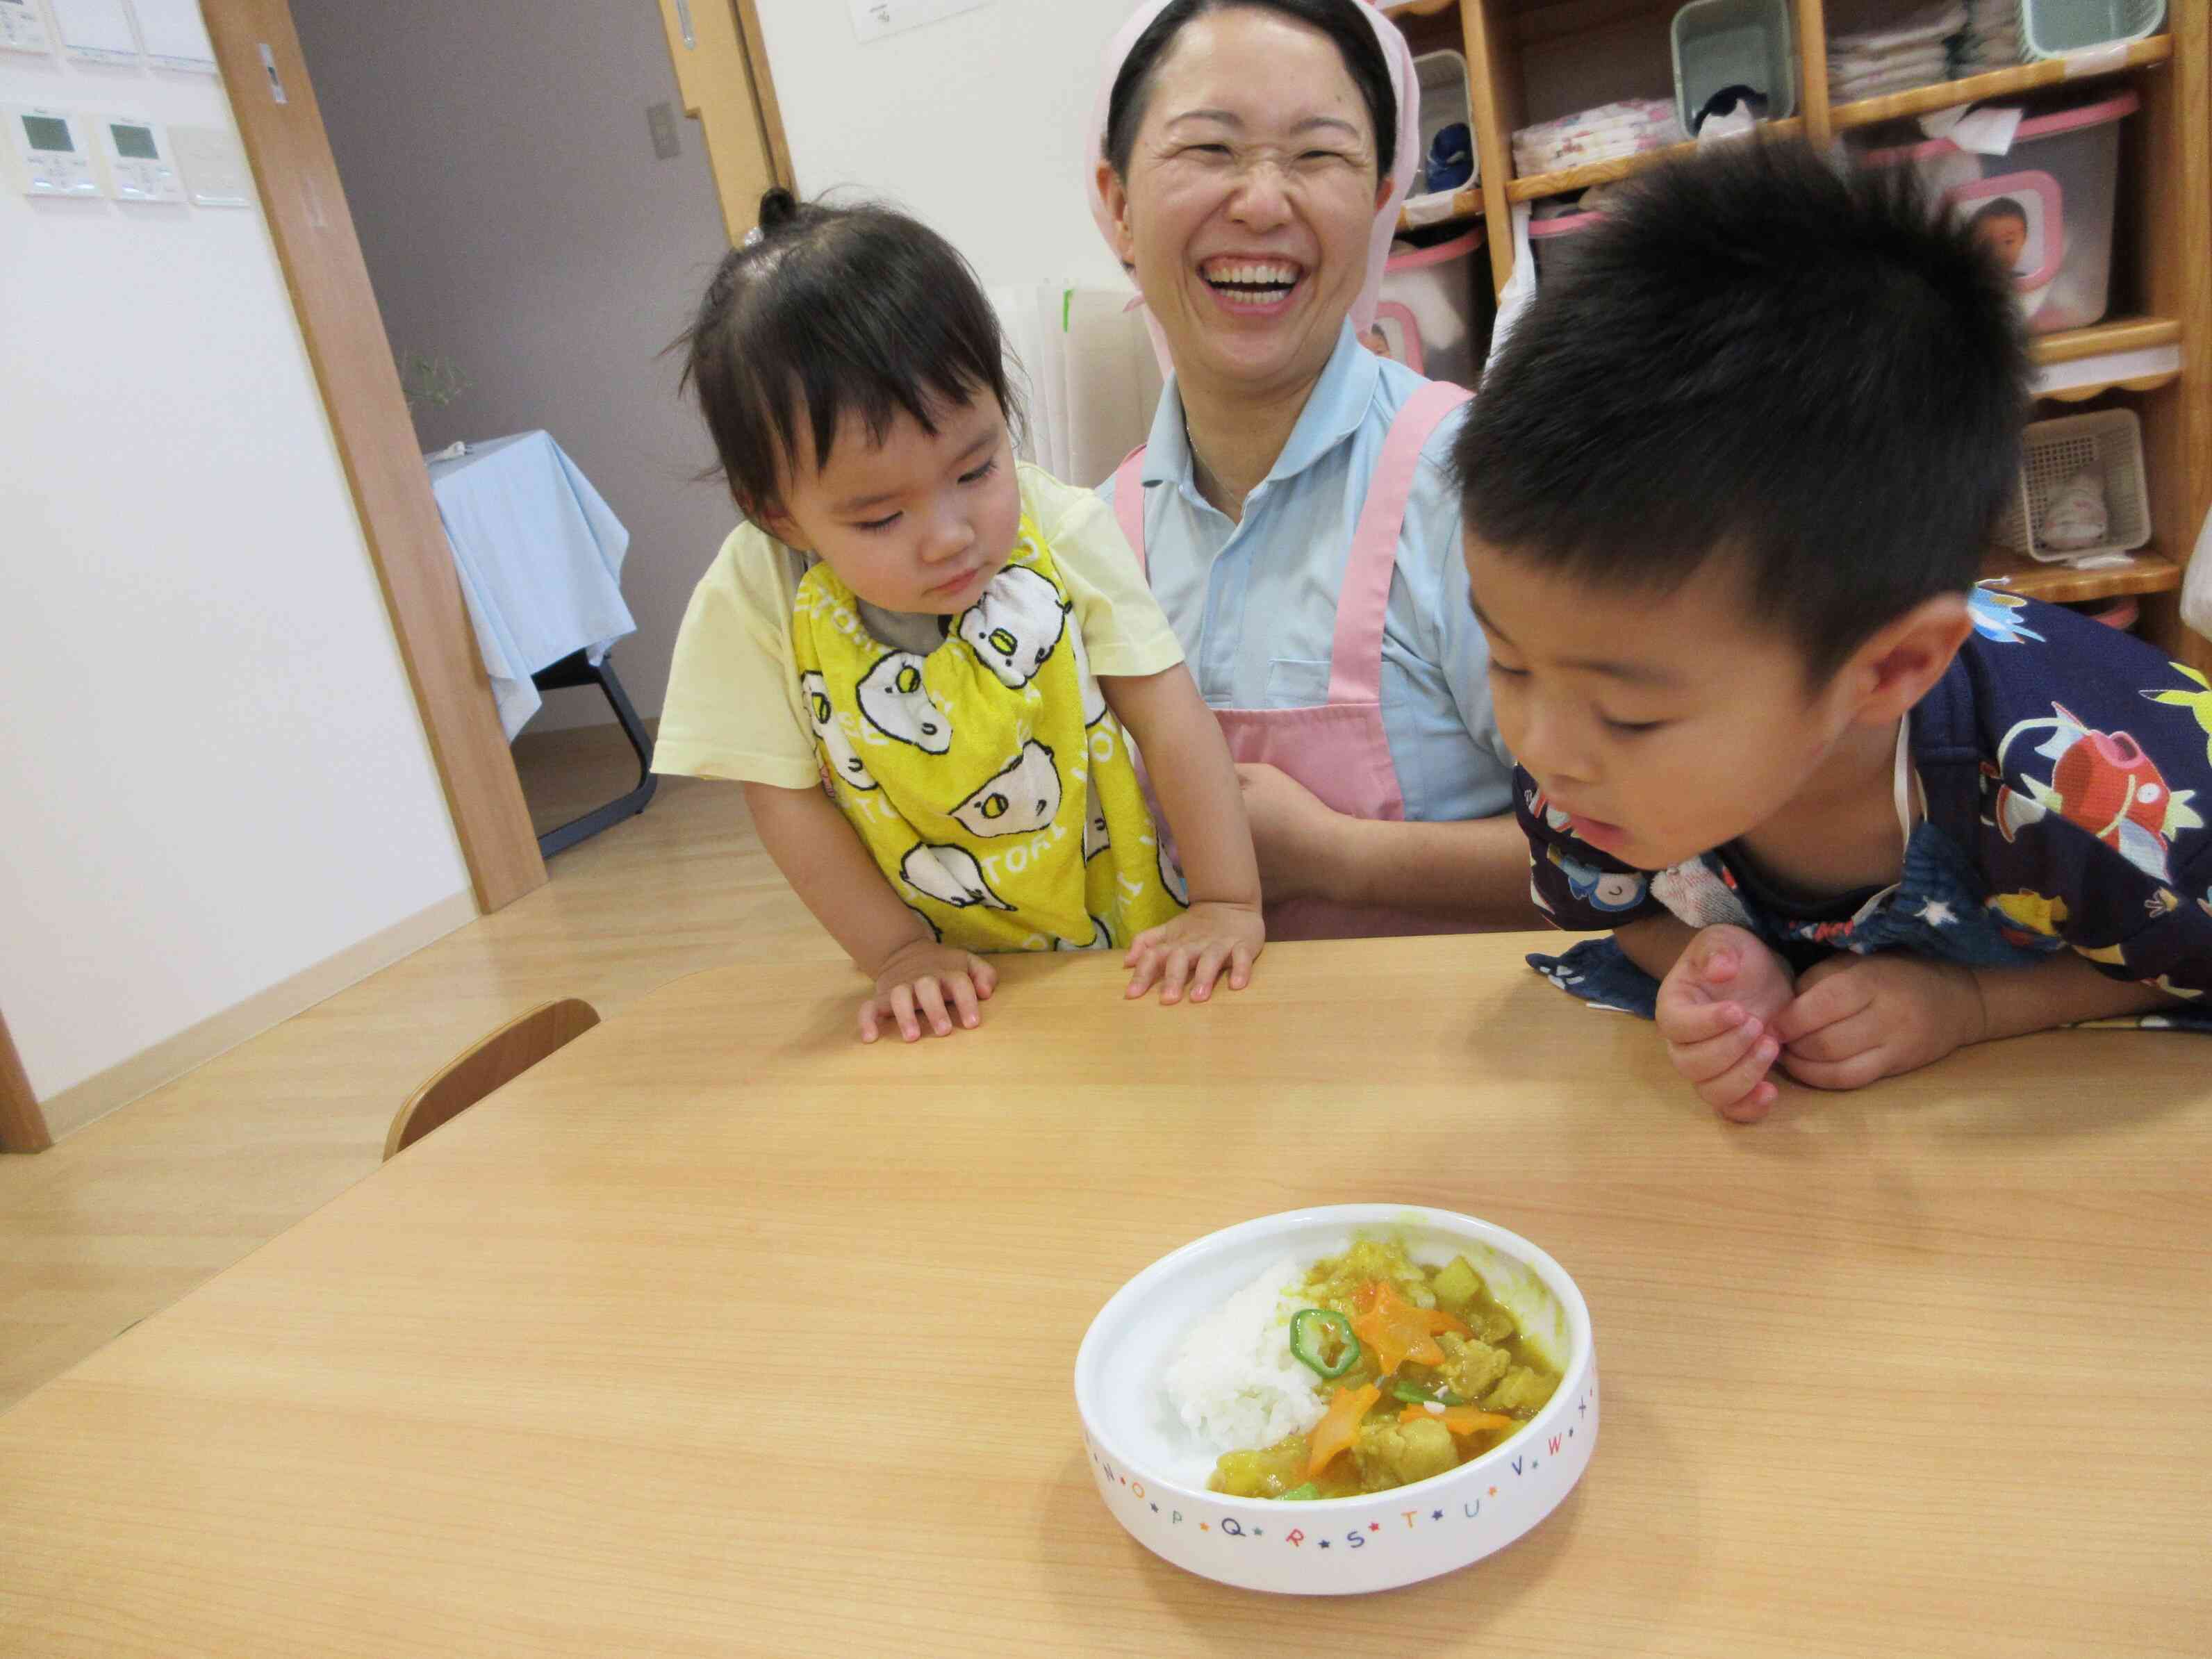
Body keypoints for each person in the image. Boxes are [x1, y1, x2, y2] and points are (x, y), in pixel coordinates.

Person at [1449, 142, 2212, 1122]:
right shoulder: (1580, 739)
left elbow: (2189, 961)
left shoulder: (2092, 798)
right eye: (1506, 660)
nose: (1543, 750)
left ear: (1891, 666)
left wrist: (1971, 1005)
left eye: (1631, 715)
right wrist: (1712, 967)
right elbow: (1621, 905)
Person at [654, 190, 1264, 1043]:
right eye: (878, 518)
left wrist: (1226, 900)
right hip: (952, 987)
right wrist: (897, 954)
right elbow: (787, 803)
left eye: (977, 470)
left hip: (1129, 940)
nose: (949, 537)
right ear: (779, 515)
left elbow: (1168, 715)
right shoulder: (756, 593)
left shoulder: (1060, 528)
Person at [1087, 0, 1534, 939]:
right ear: (1120, 207)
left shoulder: (1477, 483)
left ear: (1378, 202)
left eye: (1318, 155)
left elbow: (1654, 860)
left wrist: (1339, 857)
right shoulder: (1091, 538)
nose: (1261, 200)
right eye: (1210, 149)